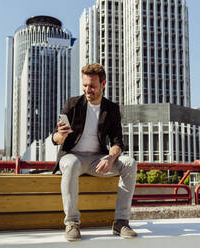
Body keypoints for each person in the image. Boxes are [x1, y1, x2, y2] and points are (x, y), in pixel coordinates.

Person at [52, 63, 137, 241]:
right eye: (84, 85)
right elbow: (56, 139)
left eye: (92, 86)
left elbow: (117, 142)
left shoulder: (111, 109)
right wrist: (60, 135)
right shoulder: (72, 104)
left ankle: (121, 222)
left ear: (103, 84)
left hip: (97, 160)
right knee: (72, 163)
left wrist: (111, 158)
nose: (87, 90)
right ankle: (72, 223)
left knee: (130, 163)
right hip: (72, 156)